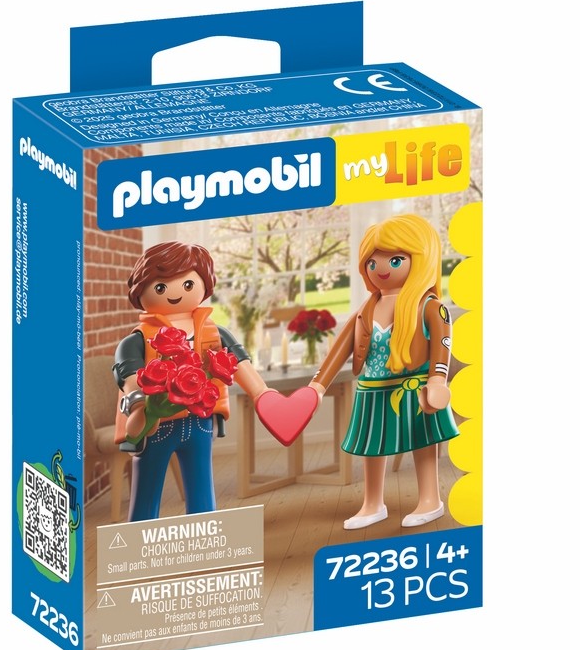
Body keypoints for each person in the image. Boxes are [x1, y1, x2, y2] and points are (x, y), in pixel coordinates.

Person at [307, 214, 459, 529]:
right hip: (372, 390)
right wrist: (317, 387)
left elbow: (442, 343)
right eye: (372, 262)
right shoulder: (366, 311)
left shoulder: (429, 306)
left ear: (420, 259)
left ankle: (430, 499)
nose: (382, 268)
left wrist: (437, 379)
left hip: (413, 388)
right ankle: (372, 503)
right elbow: (339, 351)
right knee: (372, 447)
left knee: (422, 443)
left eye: (396, 259)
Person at [113, 241, 270, 522]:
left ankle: (204, 538)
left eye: (187, 284)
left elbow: (240, 364)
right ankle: (138, 544)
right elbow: (130, 377)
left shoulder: (214, 332)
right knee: (146, 494)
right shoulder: (137, 339)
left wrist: (263, 395)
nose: (175, 293)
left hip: (200, 422)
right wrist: (139, 408)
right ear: (140, 291)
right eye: (161, 287)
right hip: (157, 425)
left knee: (202, 494)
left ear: (204, 285)